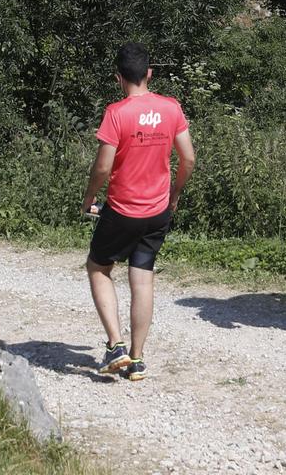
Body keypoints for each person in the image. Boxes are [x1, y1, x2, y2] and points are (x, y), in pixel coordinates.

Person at [81, 41, 195, 383]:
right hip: (157, 210)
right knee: (142, 278)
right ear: (149, 73)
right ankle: (138, 359)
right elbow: (188, 158)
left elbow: (103, 167)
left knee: (98, 268)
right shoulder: (171, 108)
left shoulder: (117, 113)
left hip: (122, 210)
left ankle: (116, 346)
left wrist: (88, 198)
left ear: (119, 78)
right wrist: (174, 195)